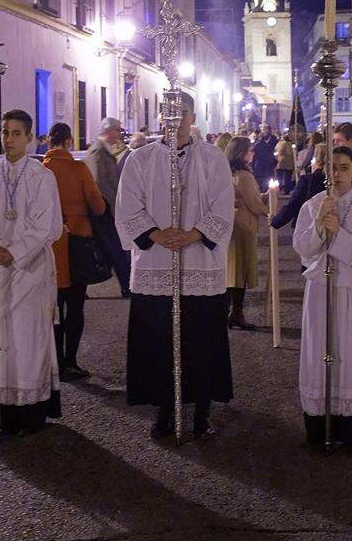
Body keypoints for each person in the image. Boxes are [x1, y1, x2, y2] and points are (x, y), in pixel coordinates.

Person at [116, 92, 234, 440]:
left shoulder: (213, 159)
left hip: (199, 263)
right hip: (157, 261)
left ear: (191, 115)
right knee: (159, 341)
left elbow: (223, 205)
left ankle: (201, 411)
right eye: (167, 111)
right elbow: (127, 207)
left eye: (180, 112)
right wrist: (156, 233)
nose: (173, 118)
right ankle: (164, 408)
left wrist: (194, 234)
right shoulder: (139, 159)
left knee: (200, 341)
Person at [0, 109, 63, 438]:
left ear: (30, 138)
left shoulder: (42, 176)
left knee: (25, 338)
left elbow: (47, 226)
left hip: (29, 268)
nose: (9, 140)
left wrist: (12, 251)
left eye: (17, 133)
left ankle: (27, 415)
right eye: (5, 133)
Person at [293, 146, 352, 449]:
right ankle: (321, 424)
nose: (338, 173)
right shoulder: (313, 205)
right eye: (332, 167)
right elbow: (303, 249)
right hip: (322, 289)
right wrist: (319, 223)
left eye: (344, 167)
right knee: (322, 348)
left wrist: (338, 231)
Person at [43, 122, 106, 379]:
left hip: (49, 247)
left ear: (48, 142)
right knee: (76, 306)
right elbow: (98, 206)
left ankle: (55, 362)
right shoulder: (78, 168)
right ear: (69, 141)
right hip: (77, 243)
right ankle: (70, 361)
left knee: (54, 308)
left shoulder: (40, 171)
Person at [224, 136, 268, 329]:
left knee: (231, 269)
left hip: (231, 223)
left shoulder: (227, 171)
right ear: (242, 153)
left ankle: (228, 312)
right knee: (239, 270)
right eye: (250, 149)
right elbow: (253, 202)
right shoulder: (244, 175)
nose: (253, 152)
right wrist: (268, 207)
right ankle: (236, 313)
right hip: (242, 224)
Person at [86, 117, 131, 296]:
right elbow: (100, 182)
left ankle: (86, 282)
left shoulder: (103, 149)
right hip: (104, 210)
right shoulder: (98, 151)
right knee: (115, 248)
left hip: (105, 209)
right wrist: (115, 205)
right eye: (118, 130)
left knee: (109, 250)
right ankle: (127, 285)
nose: (120, 134)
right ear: (109, 131)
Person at [270, 142, 327, 230]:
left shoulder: (308, 180)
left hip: (307, 226)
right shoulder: (336, 179)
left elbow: (293, 205)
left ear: (315, 159)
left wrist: (276, 221)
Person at [252, 124, 278, 192]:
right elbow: (253, 158)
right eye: (263, 131)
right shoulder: (257, 145)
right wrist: (252, 168)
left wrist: (275, 161)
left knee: (269, 190)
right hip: (259, 169)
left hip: (269, 169)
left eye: (266, 130)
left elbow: (277, 154)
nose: (264, 132)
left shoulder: (275, 142)